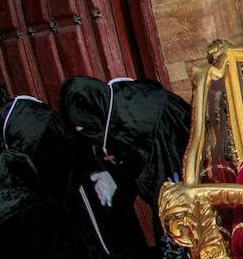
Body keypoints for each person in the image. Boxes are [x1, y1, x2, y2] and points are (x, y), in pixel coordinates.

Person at [57, 75, 192, 210]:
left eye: (80, 123)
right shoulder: (116, 103)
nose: (79, 129)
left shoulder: (127, 120)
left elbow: (145, 164)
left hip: (181, 172)